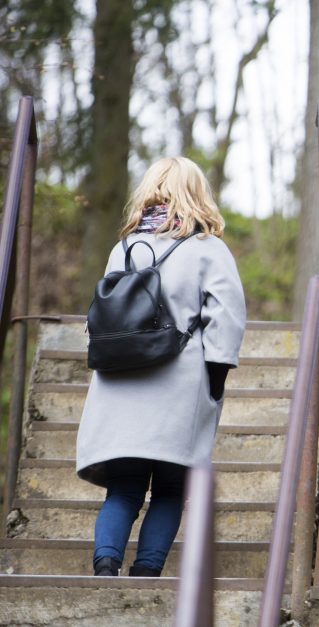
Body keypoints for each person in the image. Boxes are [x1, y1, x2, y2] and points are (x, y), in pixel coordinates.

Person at [76, 156, 247, 577]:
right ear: (197, 193)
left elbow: (104, 315)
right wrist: (216, 377)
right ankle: (146, 574)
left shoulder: (125, 248)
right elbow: (226, 315)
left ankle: (105, 567)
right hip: (179, 383)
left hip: (119, 383)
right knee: (171, 488)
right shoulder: (207, 249)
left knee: (125, 486)